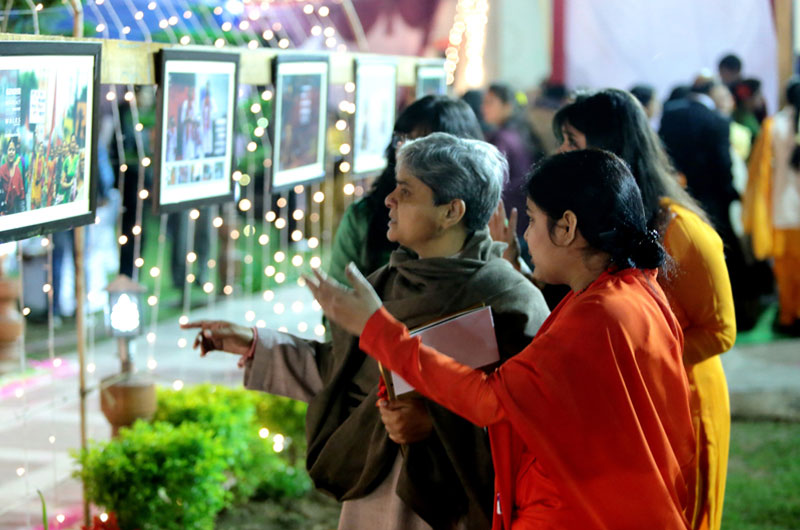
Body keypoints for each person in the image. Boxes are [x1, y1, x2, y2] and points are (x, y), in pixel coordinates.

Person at [307, 149, 696, 529]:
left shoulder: (596, 314)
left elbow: (488, 399)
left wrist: (377, 329)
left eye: (531, 219)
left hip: (575, 510)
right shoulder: (638, 289)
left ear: (566, 227)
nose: (524, 235)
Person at [185, 133, 550, 530]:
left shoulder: (512, 302)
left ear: (451, 211)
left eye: (406, 191)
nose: (389, 199)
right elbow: (339, 372)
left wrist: (437, 425)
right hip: (371, 497)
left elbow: (532, 426)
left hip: (455, 511)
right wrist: (255, 343)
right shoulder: (385, 285)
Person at [551, 89, 735, 530]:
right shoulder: (597, 224)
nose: (560, 153)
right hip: (626, 407)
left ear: (610, 148)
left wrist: (644, 360)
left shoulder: (682, 231)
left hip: (683, 406)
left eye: (572, 141)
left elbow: (721, 330)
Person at [327, 95, 483, 286]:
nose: (403, 151)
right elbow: (337, 298)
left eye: (419, 144)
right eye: (400, 140)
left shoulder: (485, 226)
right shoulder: (365, 217)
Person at [744, 77, 800, 335]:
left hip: (783, 208)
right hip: (786, 208)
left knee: (786, 270)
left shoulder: (773, 126)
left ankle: (789, 315)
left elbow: (760, 173)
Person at [482, 83, 543, 248]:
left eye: (490, 102)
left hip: (511, 216)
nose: (483, 108)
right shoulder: (521, 131)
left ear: (507, 106)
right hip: (526, 214)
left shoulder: (502, 138)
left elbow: (496, 182)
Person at [0, 137, 25, 214]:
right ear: (6, 152)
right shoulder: (2, 170)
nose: (11, 152)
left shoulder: (18, 171)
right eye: (9, 150)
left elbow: (21, 197)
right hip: (3, 212)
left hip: (15, 211)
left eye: (13, 150)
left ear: (15, 152)